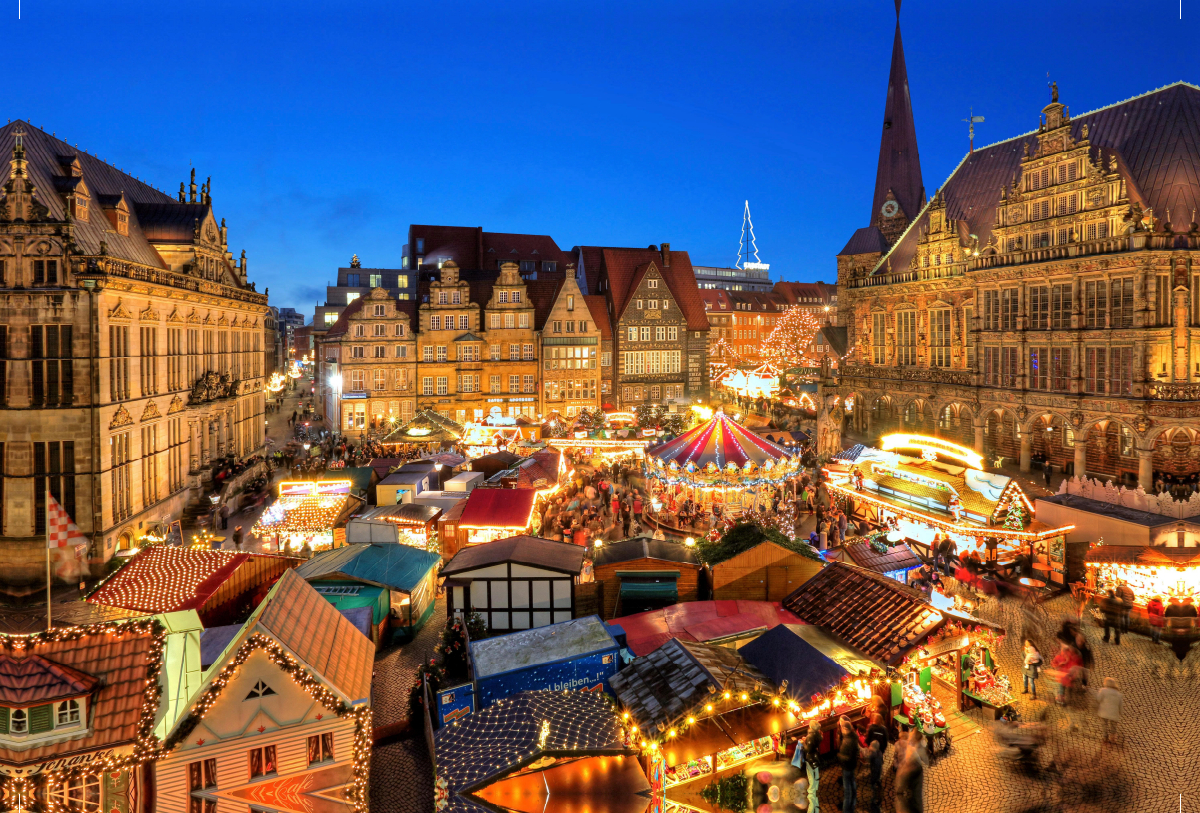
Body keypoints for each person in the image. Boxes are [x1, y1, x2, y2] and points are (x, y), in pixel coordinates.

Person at [836, 716, 858, 813]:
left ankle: (847, 805)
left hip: (847, 766)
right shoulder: (853, 737)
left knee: (847, 785)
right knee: (852, 779)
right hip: (852, 764)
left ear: (846, 729)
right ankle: (854, 795)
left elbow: (847, 757)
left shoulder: (846, 741)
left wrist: (840, 756)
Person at [1096, 677, 1123, 743]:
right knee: (1113, 726)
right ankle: (1112, 738)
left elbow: (1098, 699)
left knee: (1104, 724)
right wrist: (1120, 712)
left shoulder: (1103, 690)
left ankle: (1105, 737)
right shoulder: (1118, 694)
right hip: (1114, 713)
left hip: (1104, 711)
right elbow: (1120, 705)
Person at [802, 720, 821, 813]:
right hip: (816, 756)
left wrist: (803, 742)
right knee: (816, 771)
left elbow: (807, 749)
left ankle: (811, 790)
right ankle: (816, 787)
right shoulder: (818, 734)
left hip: (810, 757)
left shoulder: (810, 736)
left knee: (810, 773)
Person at [866, 739, 884, 813]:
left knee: (873, 782)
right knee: (877, 779)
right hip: (878, 770)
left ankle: (873, 797)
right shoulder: (879, 752)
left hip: (875, 771)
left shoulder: (873, 754)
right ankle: (879, 789)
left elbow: (867, 758)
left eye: (870, 745)